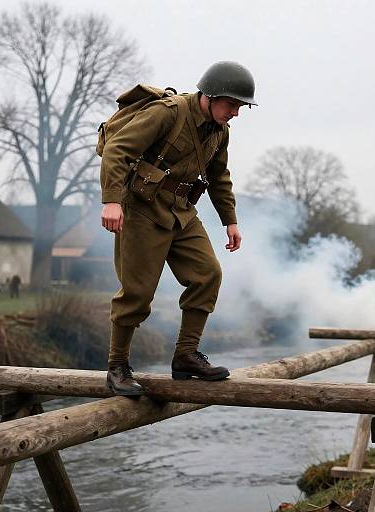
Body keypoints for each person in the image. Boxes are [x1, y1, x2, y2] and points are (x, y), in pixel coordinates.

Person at [100, 61, 257, 395]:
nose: (236, 113)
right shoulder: (167, 113)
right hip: (141, 210)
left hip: (181, 211)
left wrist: (230, 221)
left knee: (208, 274)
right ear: (211, 96)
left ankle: (186, 355)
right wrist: (112, 201)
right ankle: (117, 367)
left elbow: (219, 177)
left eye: (240, 107)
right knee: (137, 294)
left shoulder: (219, 130)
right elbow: (117, 150)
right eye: (232, 105)